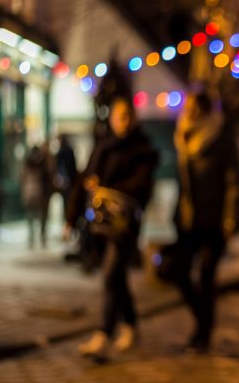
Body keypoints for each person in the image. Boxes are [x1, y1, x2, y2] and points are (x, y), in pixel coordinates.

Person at [65, 96, 158, 360]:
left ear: (134, 118)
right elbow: (85, 178)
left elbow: (141, 186)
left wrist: (107, 189)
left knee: (110, 274)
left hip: (124, 225)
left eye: (127, 117)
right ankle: (130, 324)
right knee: (116, 277)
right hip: (99, 223)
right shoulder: (103, 147)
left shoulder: (143, 150)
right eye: (119, 117)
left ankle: (103, 333)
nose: (123, 122)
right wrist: (71, 217)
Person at [173, 91, 239, 352]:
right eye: (187, 106)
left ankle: (203, 333)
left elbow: (234, 181)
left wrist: (230, 217)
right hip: (189, 218)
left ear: (204, 110)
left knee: (206, 277)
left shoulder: (221, 137)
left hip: (215, 218)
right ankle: (203, 322)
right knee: (179, 272)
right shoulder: (183, 135)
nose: (188, 111)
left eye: (193, 107)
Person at [21, 143, 54, 248]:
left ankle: (33, 238)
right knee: (40, 217)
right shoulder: (43, 165)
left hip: (32, 193)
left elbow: (22, 179)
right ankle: (41, 237)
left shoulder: (28, 165)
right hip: (39, 194)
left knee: (32, 217)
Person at [53, 133, 78, 212]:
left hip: (66, 181)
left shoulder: (61, 152)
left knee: (67, 200)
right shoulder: (68, 150)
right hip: (69, 180)